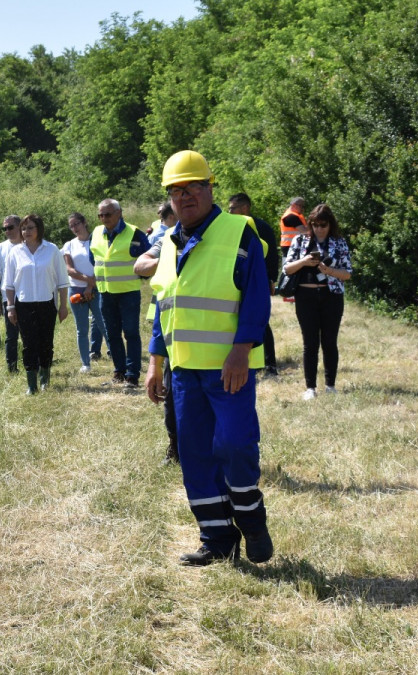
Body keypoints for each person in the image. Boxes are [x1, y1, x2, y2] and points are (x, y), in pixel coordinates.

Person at [146, 150, 273, 566]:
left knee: (235, 445)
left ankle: (251, 521)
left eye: (193, 188)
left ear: (209, 188)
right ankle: (217, 540)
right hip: (184, 373)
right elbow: (164, 306)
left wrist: (242, 350)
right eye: (176, 191)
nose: (185, 197)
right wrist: (155, 363)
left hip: (228, 369)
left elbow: (257, 296)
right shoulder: (167, 243)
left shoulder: (240, 233)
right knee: (196, 455)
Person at [282, 203, 353, 400]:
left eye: (323, 225)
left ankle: (330, 385)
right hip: (305, 297)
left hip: (331, 296)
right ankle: (310, 388)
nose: (319, 229)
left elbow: (347, 274)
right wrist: (304, 261)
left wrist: (329, 271)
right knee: (310, 342)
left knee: (330, 341)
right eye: (315, 224)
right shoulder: (299, 240)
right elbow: (287, 269)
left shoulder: (339, 243)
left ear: (330, 224)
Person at [133, 205, 179, 465]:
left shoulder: (225, 236)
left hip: (215, 346)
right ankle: (175, 448)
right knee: (172, 404)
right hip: (176, 342)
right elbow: (140, 265)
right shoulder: (169, 240)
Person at [4, 214, 70, 394]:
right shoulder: (15, 252)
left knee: (46, 342)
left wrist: (63, 306)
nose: (26, 232)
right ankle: (31, 384)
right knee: (28, 344)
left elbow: (62, 281)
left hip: (47, 304)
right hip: (23, 305)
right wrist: (10, 307)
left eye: (30, 228)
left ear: (39, 229)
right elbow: (9, 284)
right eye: (24, 228)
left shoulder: (52, 250)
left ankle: (44, 379)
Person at [89, 198, 150, 387]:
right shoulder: (96, 232)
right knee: (112, 334)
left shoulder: (135, 234)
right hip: (105, 292)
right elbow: (94, 259)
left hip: (128, 293)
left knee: (131, 333)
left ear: (119, 213)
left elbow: (148, 259)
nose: (103, 218)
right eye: (100, 215)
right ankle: (119, 372)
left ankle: (132, 375)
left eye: (107, 214)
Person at [228, 193, 281, 376]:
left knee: (262, 322)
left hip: (259, 282)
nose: (229, 212)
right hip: (236, 282)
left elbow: (273, 255)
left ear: (244, 208)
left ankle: (270, 364)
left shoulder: (261, 227)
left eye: (232, 208)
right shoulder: (230, 228)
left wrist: (271, 279)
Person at [62, 213, 98, 373]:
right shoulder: (69, 245)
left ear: (84, 222)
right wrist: (87, 282)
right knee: (81, 329)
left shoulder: (97, 240)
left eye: (76, 224)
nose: (74, 228)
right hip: (76, 289)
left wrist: (91, 286)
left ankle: (117, 361)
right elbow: (69, 269)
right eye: (71, 226)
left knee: (104, 325)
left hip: (97, 289)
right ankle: (86, 363)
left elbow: (101, 265)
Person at [0, 215, 24, 372]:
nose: (7, 231)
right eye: (4, 228)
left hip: (29, 296)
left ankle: (32, 364)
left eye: (10, 227)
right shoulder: (0, 248)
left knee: (29, 333)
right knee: (11, 335)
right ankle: (12, 368)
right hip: (8, 297)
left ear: (19, 226)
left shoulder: (29, 244)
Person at [278, 198, 308, 303]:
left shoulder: (296, 215)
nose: (303, 209)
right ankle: (288, 293)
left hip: (293, 247)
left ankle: (292, 296)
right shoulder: (291, 216)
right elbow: (305, 231)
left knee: (295, 271)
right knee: (290, 272)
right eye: (302, 206)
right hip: (290, 248)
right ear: (294, 205)